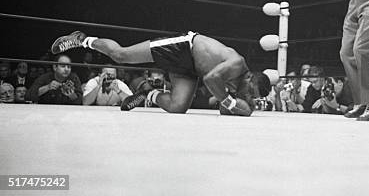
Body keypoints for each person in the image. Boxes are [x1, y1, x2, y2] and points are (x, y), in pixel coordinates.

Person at [50, 31, 271, 116]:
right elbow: (211, 79)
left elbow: (226, 108)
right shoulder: (236, 63)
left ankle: (148, 93)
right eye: (251, 92)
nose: (249, 96)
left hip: (188, 70)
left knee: (177, 108)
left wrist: (241, 106)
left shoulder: (240, 86)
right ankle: (82, 40)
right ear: (250, 78)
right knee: (121, 55)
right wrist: (232, 103)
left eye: (254, 97)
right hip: (183, 46)